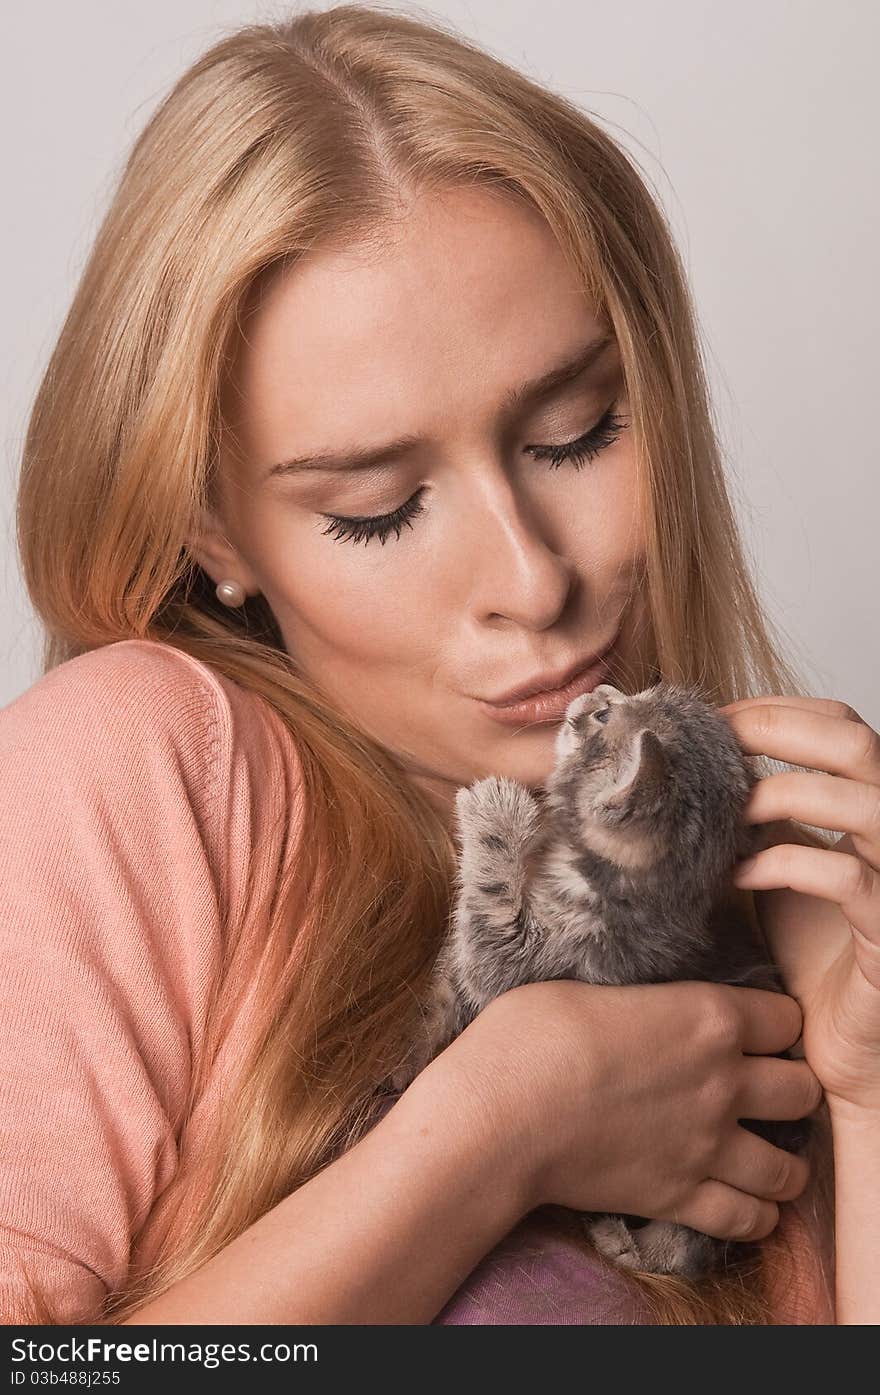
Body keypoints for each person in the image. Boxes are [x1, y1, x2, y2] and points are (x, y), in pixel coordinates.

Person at [2, 4, 878, 1327]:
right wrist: (489, 1130)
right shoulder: (144, 769)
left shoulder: (780, 906)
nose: (532, 581)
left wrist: (865, 1087)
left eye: (580, 432)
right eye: (377, 508)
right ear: (213, 530)